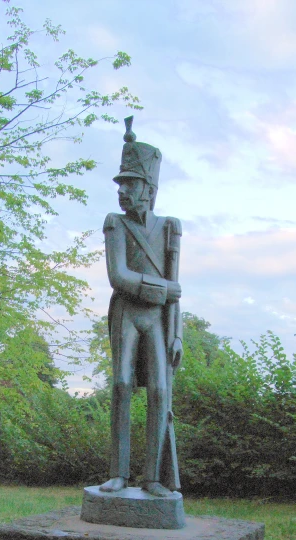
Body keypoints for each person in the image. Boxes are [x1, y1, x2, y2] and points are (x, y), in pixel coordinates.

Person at [99, 117, 183, 498]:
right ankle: (119, 473)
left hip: (158, 321)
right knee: (120, 384)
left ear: (148, 189)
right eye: (121, 184)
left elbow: (176, 292)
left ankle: (151, 479)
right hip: (126, 314)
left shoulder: (170, 227)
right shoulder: (114, 223)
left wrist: (177, 333)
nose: (123, 191)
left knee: (161, 394)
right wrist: (164, 289)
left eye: (130, 184)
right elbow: (118, 276)